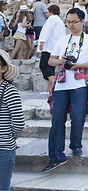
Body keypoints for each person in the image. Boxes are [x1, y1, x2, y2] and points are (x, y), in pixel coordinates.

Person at [42, 8, 88, 173]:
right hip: (61, 85)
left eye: (74, 22)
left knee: (77, 118)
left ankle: (76, 145)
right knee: (56, 121)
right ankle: (56, 157)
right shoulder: (62, 40)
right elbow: (50, 61)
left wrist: (78, 65)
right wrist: (62, 61)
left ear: (83, 21)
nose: (71, 25)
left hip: (79, 84)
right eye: (68, 22)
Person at [0, 50, 24, 190]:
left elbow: (19, 123)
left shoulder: (9, 91)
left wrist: (9, 138)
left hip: (3, 149)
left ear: (4, 68)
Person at [38, 5, 66, 94]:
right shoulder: (60, 21)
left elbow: (46, 30)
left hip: (49, 47)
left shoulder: (52, 19)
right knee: (51, 67)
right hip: (56, 47)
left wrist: (42, 41)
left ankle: (55, 85)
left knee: (44, 65)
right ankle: (49, 89)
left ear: (50, 11)